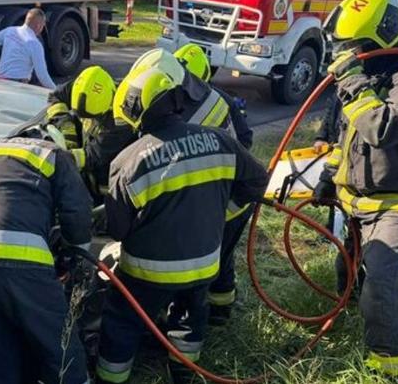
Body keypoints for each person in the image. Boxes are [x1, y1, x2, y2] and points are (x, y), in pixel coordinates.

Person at [96, 58, 269, 384]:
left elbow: (117, 230)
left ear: (134, 114)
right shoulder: (219, 140)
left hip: (146, 271)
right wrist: (222, 213)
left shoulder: (127, 162)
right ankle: (184, 374)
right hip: (204, 264)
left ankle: (111, 378)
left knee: (123, 319)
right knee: (190, 318)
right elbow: (258, 180)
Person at [313, 0, 398, 377]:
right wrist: (328, 177)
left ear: (384, 36)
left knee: (378, 280)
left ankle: (390, 365)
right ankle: (353, 319)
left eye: (355, 46)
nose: (348, 55)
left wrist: (353, 84)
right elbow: (348, 135)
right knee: (348, 270)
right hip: (358, 198)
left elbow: (381, 129)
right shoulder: (369, 72)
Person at [0, 126, 93, 384]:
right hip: (13, 258)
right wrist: (76, 254)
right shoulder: (52, 153)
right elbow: (77, 211)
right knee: (60, 347)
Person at [170, 44, 255, 324]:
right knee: (223, 253)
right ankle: (221, 311)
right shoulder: (223, 100)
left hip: (216, 199)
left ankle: (196, 313)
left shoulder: (176, 106)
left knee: (207, 255)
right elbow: (246, 139)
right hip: (235, 194)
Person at [45, 65, 136, 199]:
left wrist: (59, 159)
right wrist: (65, 126)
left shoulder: (122, 121)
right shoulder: (85, 87)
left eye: (92, 117)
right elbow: (56, 97)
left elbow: (91, 156)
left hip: (107, 189)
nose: (85, 120)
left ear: (109, 103)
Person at [0, 8, 56, 89]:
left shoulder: (10, 31)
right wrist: (56, 91)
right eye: (43, 26)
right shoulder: (34, 43)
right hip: (18, 85)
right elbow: (42, 76)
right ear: (38, 26)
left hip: (1, 80)